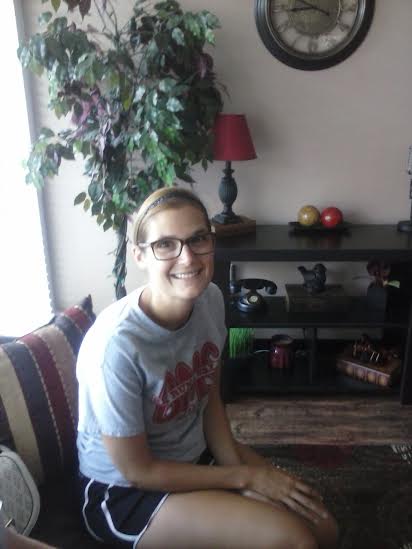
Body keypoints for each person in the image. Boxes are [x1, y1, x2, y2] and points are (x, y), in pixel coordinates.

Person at [76, 187, 338, 548]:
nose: (187, 258)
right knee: (295, 542)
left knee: (323, 527)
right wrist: (244, 479)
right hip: (125, 493)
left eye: (198, 239)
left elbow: (209, 400)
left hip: (194, 458)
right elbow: (138, 471)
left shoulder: (210, 300)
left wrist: (239, 472)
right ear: (139, 255)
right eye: (165, 244)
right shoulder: (115, 346)